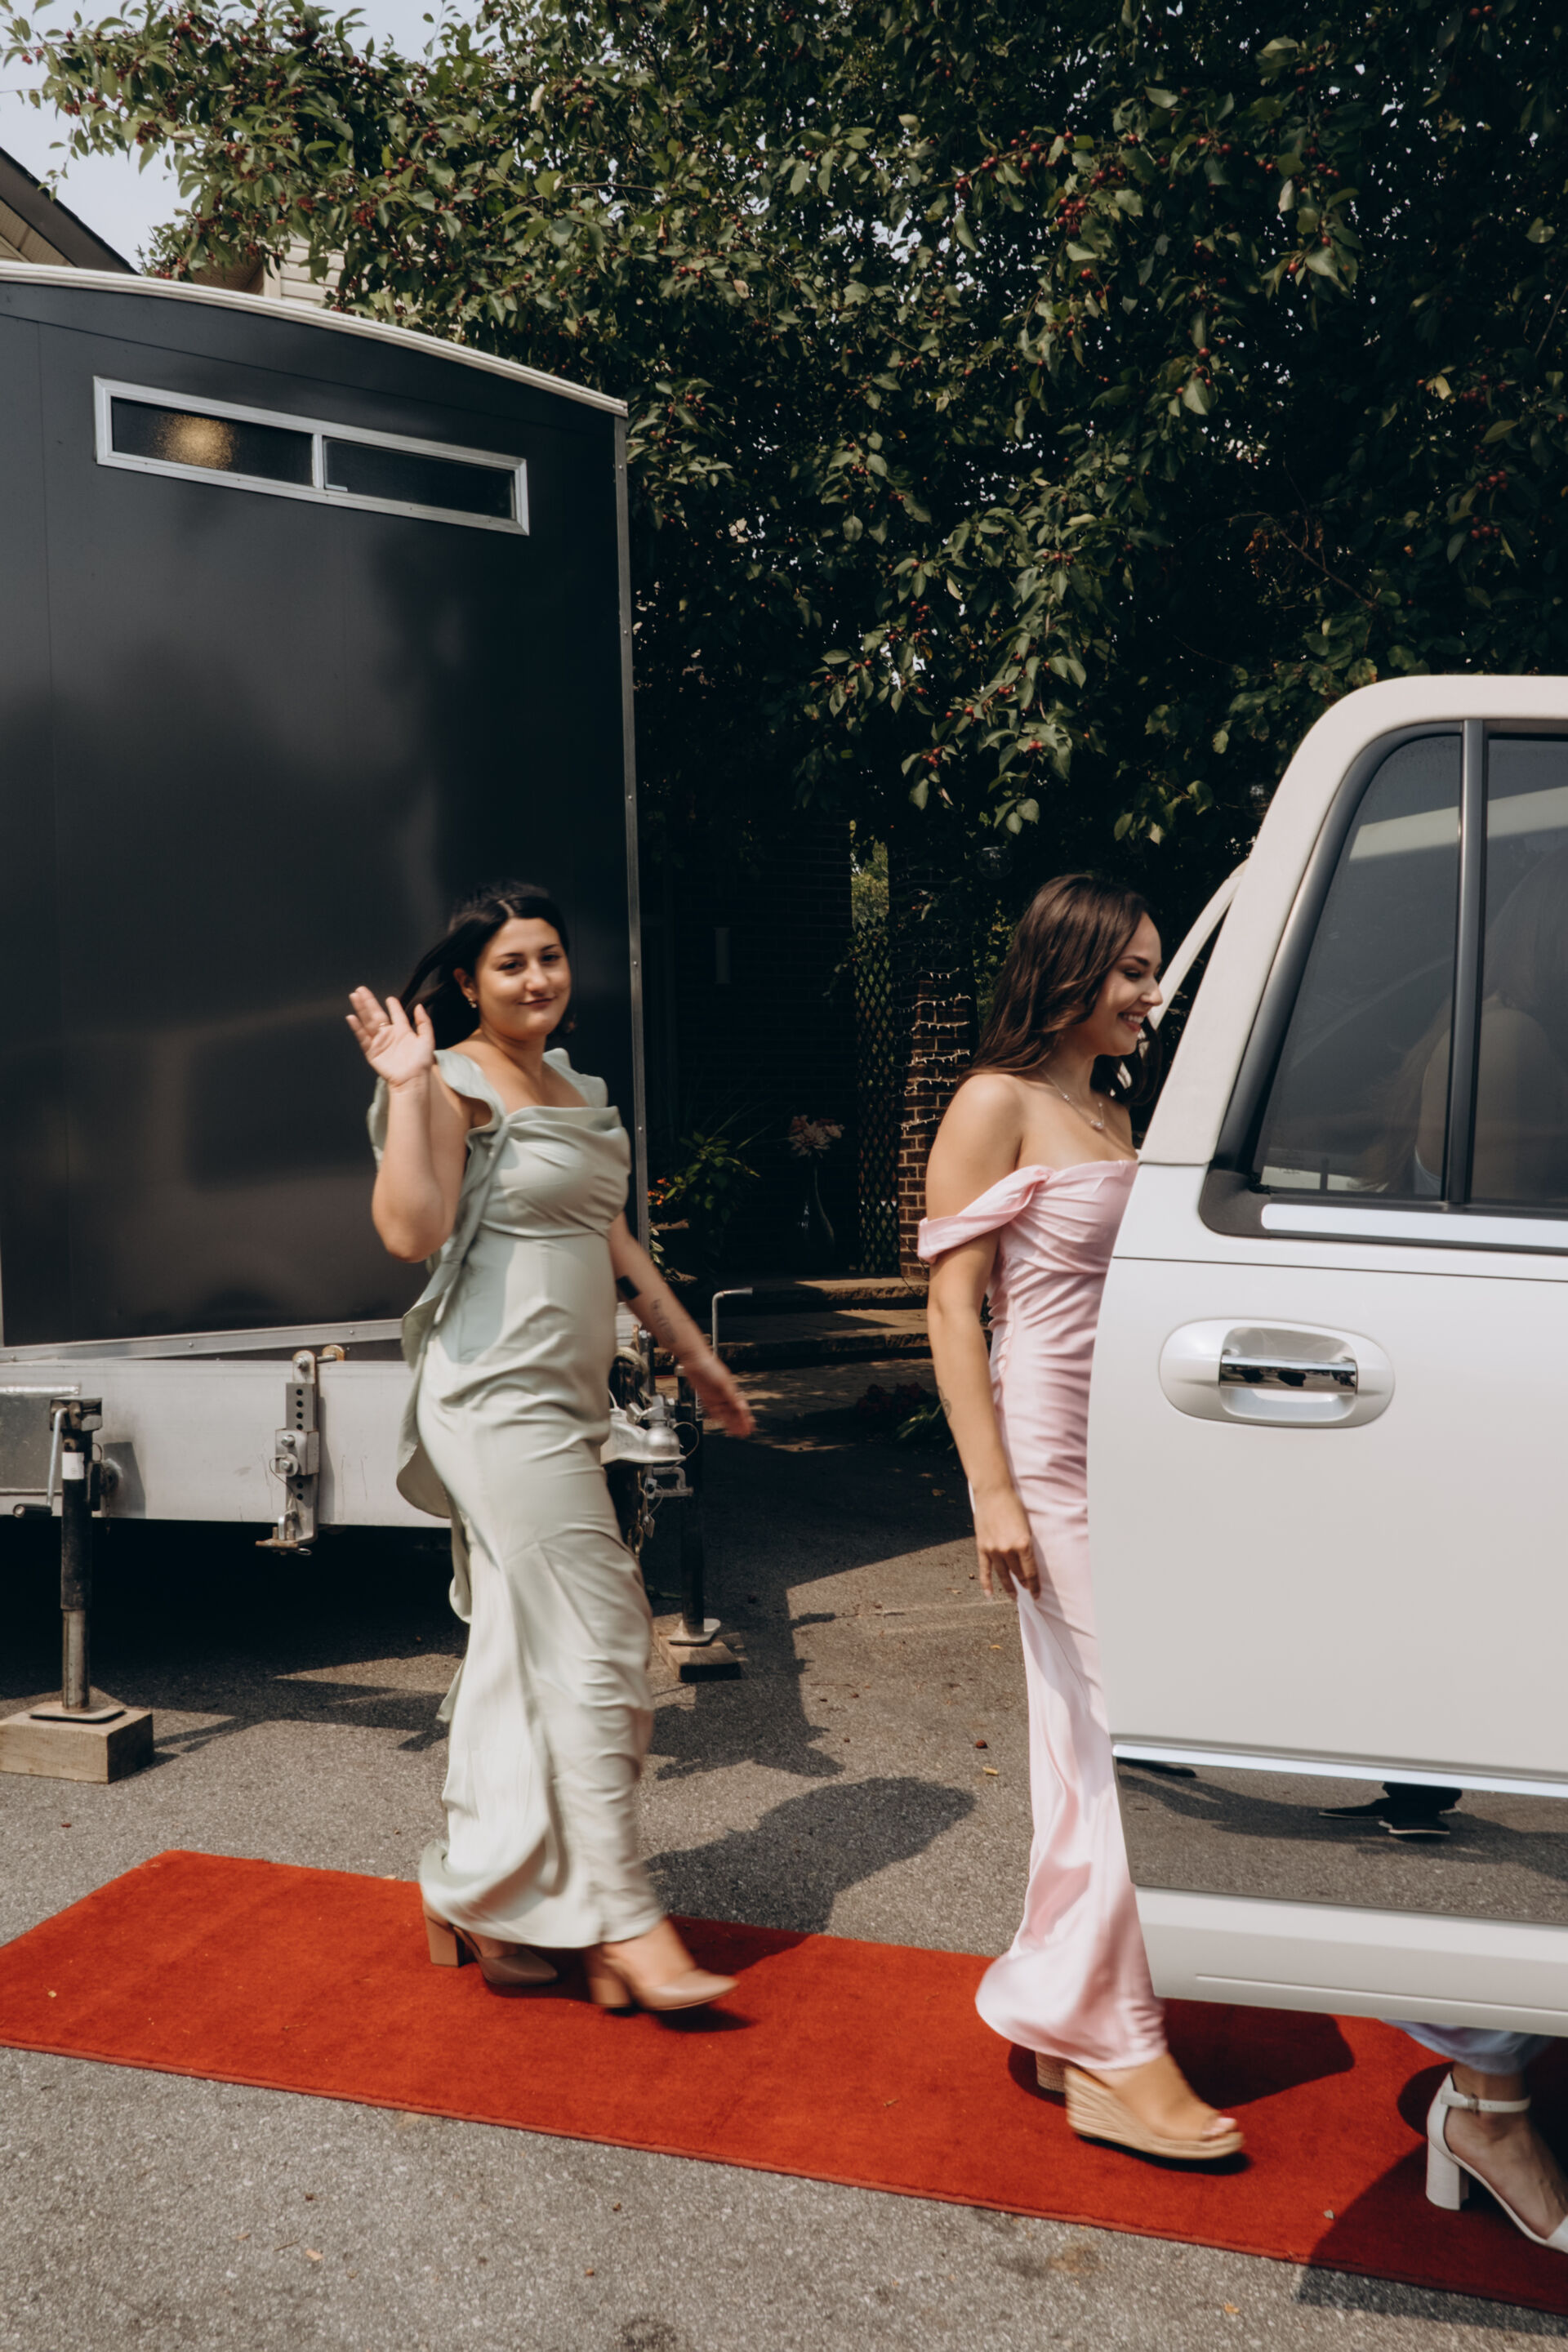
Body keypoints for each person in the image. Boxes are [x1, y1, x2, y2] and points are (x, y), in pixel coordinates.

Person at [348, 879, 754, 2013]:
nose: (538, 979)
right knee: (607, 1636)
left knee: (515, 1655)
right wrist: (408, 1087)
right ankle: (621, 1917)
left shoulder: (576, 1084)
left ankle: (482, 1891)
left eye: (551, 957)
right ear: (469, 982)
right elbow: (409, 1231)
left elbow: (610, 1235)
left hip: (570, 1401)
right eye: (512, 963)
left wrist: (694, 1353)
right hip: (493, 1399)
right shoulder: (455, 1080)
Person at [920, 874, 1241, 2163]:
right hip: (1048, 1456)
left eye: (1154, 971)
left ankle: (1071, 2012)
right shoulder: (994, 1102)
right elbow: (952, 1309)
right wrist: (991, 1489)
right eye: (1133, 971)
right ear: (1068, 968)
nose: (1151, 994)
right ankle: (1113, 2043)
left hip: (1132, 1455)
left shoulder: (1111, 1109)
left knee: (1086, 1739)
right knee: (1125, 1733)